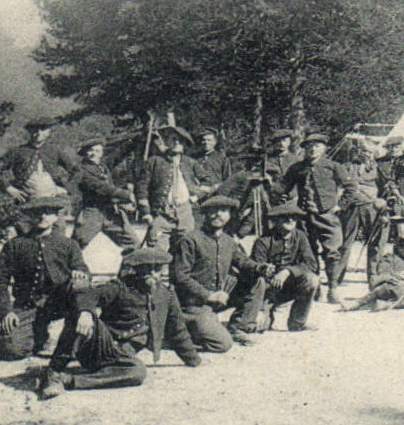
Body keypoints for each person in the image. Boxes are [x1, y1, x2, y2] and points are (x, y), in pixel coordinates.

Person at [35, 247, 201, 399]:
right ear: (136, 269)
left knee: (138, 372)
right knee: (80, 315)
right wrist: (85, 313)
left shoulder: (167, 295)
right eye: (146, 268)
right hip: (101, 347)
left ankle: (69, 380)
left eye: (157, 269)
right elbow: (89, 295)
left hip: (123, 357)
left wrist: (193, 359)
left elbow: (178, 330)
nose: (152, 273)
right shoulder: (120, 287)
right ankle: (54, 372)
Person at [0, 196, 89, 360]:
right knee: (12, 349)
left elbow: (83, 270)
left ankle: (71, 340)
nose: (43, 217)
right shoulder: (15, 245)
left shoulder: (68, 244)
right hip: (28, 305)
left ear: (56, 217)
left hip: (59, 303)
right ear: (30, 216)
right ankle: (38, 336)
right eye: (38, 213)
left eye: (48, 213)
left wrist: (80, 273)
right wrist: (6, 312)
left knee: (80, 284)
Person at [227, 201, 323, 339]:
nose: (290, 220)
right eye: (285, 217)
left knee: (312, 280)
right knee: (258, 326)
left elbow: (311, 264)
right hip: (268, 289)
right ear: (276, 220)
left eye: (293, 217)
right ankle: (265, 312)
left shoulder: (300, 237)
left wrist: (288, 271)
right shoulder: (264, 241)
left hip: (290, 286)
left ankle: (297, 322)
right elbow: (256, 274)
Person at [168, 193, 245, 354]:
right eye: (213, 211)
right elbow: (180, 276)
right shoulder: (191, 239)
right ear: (205, 214)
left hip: (217, 300)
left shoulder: (228, 241)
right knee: (223, 344)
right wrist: (208, 295)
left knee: (256, 281)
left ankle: (240, 326)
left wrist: (264, 268)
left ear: (230, 215)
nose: (218, 215)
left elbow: (243, 262)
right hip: (194, 304)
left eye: (223, 210)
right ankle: (183, 332)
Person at [280, 132, 349, 302]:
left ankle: (333, 287)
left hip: (327, 216)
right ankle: (314, 288)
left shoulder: (333, 166)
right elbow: (283, 188)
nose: (312, 149)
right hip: (304, 217)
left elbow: (351, 188)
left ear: (324, 148)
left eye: (317, 146)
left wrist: (339, 206)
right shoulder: (297, 168)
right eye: (309, 146)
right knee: (308, 252)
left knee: (332, 251)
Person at [138, 124, 206, 250]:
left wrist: (195, 197)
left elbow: (208, 183)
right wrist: (146, 212)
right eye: (173, 139)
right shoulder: (154, 162)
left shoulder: (191, 163)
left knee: (187, 248)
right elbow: (142, 188)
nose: (176, 142)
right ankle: (160, 270)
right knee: (157, 248)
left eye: (180, 141)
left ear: (185, 144)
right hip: (161, 213)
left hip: (185, 212)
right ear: (167, 141)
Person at [0, 117, 74, 208]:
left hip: (53, 200)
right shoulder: (17, 152)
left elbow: (75, 170)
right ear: (29, 131)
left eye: (43, 129)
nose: (38, 133)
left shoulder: (55, 151)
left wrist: (68, 187)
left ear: (49, 131)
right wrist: (10, 189)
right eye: (34, 129)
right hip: (27, 201)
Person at [335, 135, 387, 284]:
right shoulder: (346, 167)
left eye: (370, 151)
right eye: (364, 151)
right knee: (344, 243)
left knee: (375, 243)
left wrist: (382, 200)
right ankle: (336, 278)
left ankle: (374, 278)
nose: (367, 154)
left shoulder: (379, 168)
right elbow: (337, 185)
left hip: (372, 208)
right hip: (351, 208)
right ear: (358, 151)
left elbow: (387, 187)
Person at [68, 135, 135, 247]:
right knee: (76, 245)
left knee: (132, 242)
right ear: (84, 153)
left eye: (98, 151)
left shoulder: (104, 166)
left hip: (110, 212)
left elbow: (119, 153)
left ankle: (130, 264)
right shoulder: (80, 170)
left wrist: (134, 141)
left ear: (102, 153)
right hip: (92, 212)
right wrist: (125, 194)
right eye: (91, 151)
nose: (94, 153)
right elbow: (99, 186)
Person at [356, 234, 404, 311]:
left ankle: (387, 305)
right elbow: (384, 275)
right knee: (388, 288)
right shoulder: (390, 258)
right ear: (400, 248)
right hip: (391, 288)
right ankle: (358, 303)